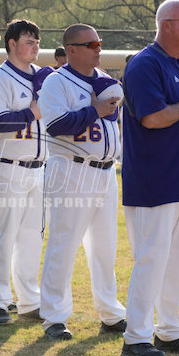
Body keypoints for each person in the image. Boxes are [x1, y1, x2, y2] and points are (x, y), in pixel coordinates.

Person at [121, 0, 179, 356]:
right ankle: (136, 337)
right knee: (151, 259)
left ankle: (170, 331)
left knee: (173, 260)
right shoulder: (146, 64)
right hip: (154, 180)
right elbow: (153, 117)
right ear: (166, 24)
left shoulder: (178, 63)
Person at [38, 24, 126, 339]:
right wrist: (94, 110)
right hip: (72, 170)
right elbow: (56, 125)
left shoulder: (104, 79)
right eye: (90, 44)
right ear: (71, 50)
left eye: (99, 43)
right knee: (63, 244)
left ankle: (111, 313)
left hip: (106, 172)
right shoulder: (56, 81)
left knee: (105, 248)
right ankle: (54, 317)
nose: (98, 48)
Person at [0, 19, 46, 325]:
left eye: (37, 42)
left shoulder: (43, 78)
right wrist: (30, 113)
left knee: (32, 239)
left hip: (37, 169)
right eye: (29, 41)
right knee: (3, 237)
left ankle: (30, 300)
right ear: (12, 44)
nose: (35, 47)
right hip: (5, 167)